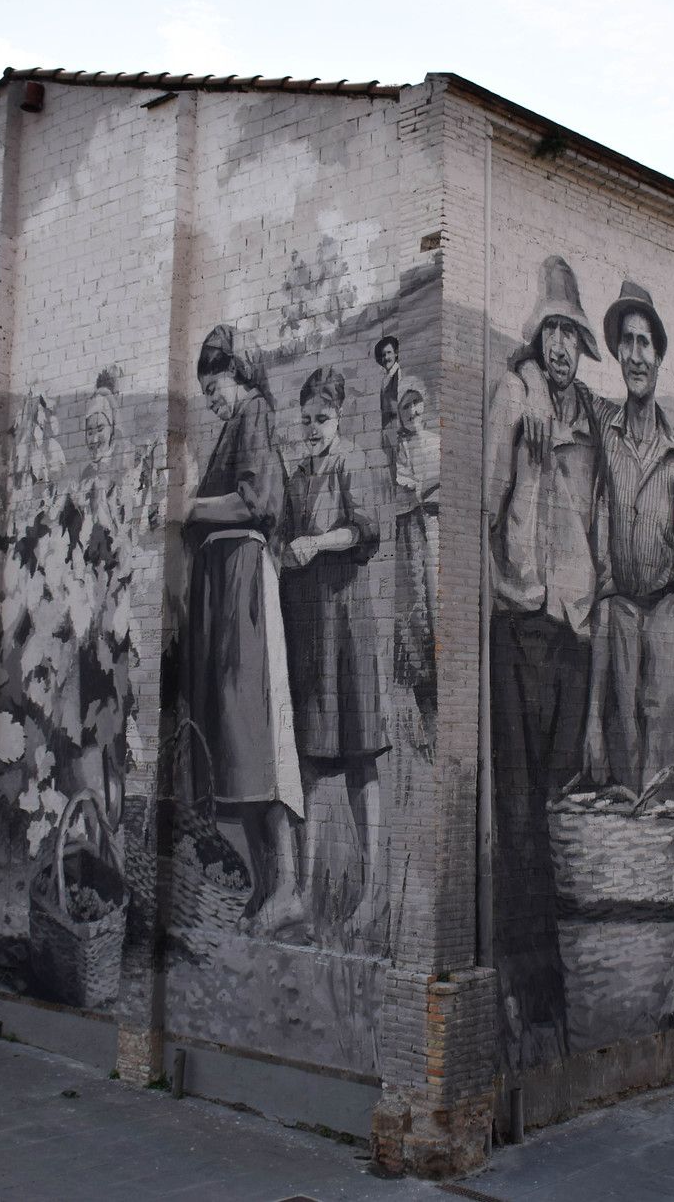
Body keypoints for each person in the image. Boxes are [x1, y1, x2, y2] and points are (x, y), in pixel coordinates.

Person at [487, 254, 604, 1066]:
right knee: (521, 813)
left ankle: (557, 980)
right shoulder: (514, 397)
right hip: (521, 623)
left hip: (572, 630)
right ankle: (533, 989)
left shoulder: (586, 415)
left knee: (561, 797)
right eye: (552, 330)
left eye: (571, 333)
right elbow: (488, 500)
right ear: (538, 336)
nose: (560, 345)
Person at [182, 324, 305, 935]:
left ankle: (287, 887)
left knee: (257, 734)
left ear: (241, 374)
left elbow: (256, 502)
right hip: (224, 586)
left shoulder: (255, 412)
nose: (214, 400)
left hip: (245, 585)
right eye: (207, 394)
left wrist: (192, 507)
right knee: (236, 740)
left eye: (216, 387)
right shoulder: (236, 423)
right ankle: (264, 887)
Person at [581, 282, 674, 795]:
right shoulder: (604, 423)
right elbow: (556, 378)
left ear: (658, 356)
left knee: (664, 737)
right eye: (627, 342)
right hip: (619, 613)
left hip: (664, 611)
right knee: (622, 741)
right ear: (617, 352)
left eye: (645, 344)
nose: (635, 355)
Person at [280, 366, 387, 938]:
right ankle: (302, 890)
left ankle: (371, 891)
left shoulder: (352, 462)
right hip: (312, 629)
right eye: (306, 421)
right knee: (312, 760)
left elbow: (367, 532)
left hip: (350, 625)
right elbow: (283, 539)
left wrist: (317, 543)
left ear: (338, 417)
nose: (313, 429)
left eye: (321, 419)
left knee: (360, 755)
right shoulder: (298, 476)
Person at [390, 385, 440, 722]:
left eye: (416, 404)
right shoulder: (399, 449)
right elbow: (407, 492)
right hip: (412, 532)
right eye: (405, 406)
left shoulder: (437, 442)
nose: (412, 412)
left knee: (438, 604)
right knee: (417, 609)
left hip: (437, 527)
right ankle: (426, 703)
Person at [375, 335, 404, 430]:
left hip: (397, 423)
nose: (386, 357)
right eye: (383, 355)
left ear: (395, 353)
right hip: (387, 425)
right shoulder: (385, 378)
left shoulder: (399, 373)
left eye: (389, 352)